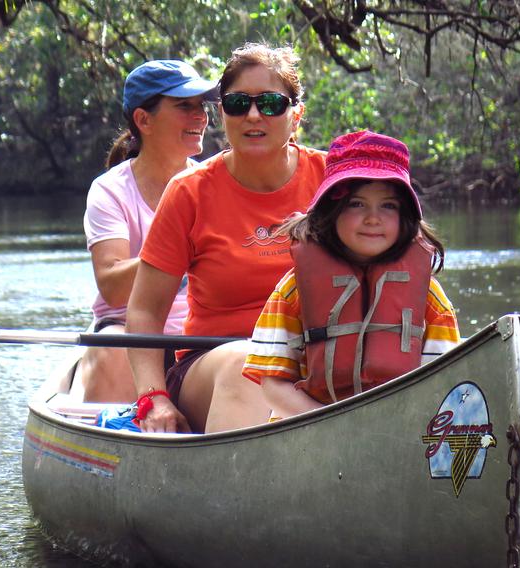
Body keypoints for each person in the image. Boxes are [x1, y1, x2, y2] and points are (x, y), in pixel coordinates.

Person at [126, 43, 327, 433]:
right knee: (246, 363)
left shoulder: (332, 180)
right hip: (216, 363)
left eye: (270, 103)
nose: (253, 115)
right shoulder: (189, 192)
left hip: (317, 362)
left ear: (296, 115)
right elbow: (145, 311)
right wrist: (153, 397)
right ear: (222, 113)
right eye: (238, 103)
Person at [241, 130, 461, 419]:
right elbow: (273, 384)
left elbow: (445, 387)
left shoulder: (429, 298)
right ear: (331, 212)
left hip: (400, 430)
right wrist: (334, 424)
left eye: (388, 206)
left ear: (405, 217)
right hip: (310, 430)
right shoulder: (294, 289)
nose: (373, 218)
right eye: (357, 204)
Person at [77, 60, 218, 403]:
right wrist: (181, 249)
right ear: (143, 120)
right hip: (127, 334)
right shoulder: (110, 190)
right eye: (185, 105)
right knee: (113, 349)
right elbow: (112, 287)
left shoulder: (216, 184)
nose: (200, 115)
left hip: (198, 338)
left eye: (202, 105)